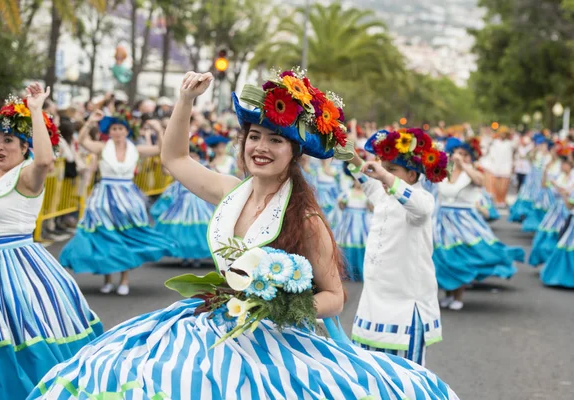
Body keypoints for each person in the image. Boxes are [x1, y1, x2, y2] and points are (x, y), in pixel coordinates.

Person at [28, 70, 459, 400]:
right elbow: (174, 157)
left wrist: (281, 304)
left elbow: (334, 297)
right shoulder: (227, 192)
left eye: (276, 139)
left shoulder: (304, 218)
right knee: (126, 371)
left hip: (275, 339)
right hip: (211, 324)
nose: (261, 147)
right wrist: (184, 100)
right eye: (255, 136)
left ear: (294, 153)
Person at [0, 84, 102, 400]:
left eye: (9, 141)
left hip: (15, 274)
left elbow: (45, 161)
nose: (0, 147)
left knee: (20, 346)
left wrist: (34, 110)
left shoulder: (28, 176)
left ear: (25, 146)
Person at [346, 128, 446, 365]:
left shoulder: (422, 200)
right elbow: (365, 176)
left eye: (392, 169)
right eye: (383, 167)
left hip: (405, 316)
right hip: (371, 312)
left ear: (412, 176)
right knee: (369, 382)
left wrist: (384, 176)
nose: (382, 174)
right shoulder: (383, 196)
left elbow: (419, 207)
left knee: (405, 387)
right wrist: (346, 151)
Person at [59, 109, 176, 296]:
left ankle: (124, 280)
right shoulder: (102, 147)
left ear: (127, 131)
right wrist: (90, 123)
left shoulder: (134, 149)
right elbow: (82, 141)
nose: (117, 132)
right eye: (114, 128)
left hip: (128, 199)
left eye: (121, 128)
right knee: (106, 237)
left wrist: (157, 131)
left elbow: (159, 150)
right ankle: (107, 278)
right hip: (104, 197)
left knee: (124, 237)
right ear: (110, 131)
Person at [434, 138, 524, 311]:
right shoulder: (444, 171)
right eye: (458, 153)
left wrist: (465, 165)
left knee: (459, 258)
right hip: (443, 219)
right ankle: (448, 293)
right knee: (443, 257)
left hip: (463, 221)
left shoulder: (472, 172)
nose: (460, 156)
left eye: (465, 154)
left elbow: (480, 181)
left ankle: (458, 295)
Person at [153, 135, 215, 266]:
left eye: (195, 156)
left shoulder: (205, 169)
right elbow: (173, 180)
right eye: (190, 156)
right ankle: (186, 257)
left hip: (200, 203)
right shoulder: (181, 169)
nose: (193, 159)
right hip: (182, 203)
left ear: (200, 157)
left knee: (198, 232)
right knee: (182, 232)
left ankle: (197, 258)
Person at [332, 167, 373, 281]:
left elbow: (371, 209)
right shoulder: (348, 193)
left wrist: (370, 203)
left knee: (361, 246)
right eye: (356, 180)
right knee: (347, 244)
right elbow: (341, 207)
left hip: (361, 225)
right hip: (348, 224)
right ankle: (347, 272)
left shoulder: (367, 195)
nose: (358, 183)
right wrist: (342, 203)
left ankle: (360, 272)